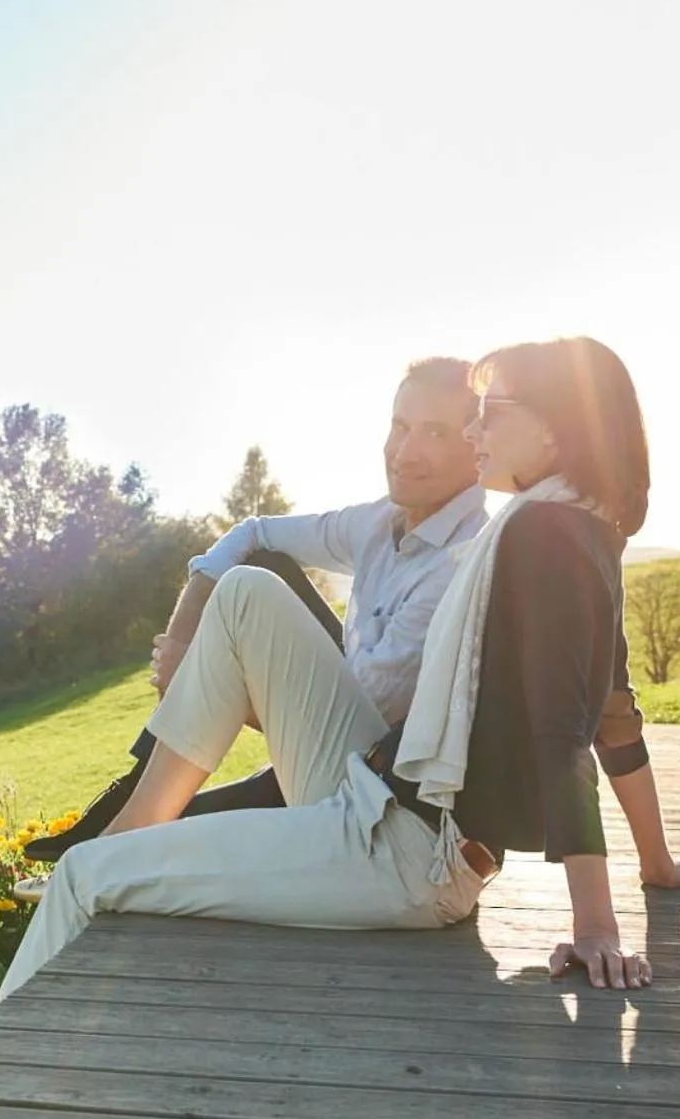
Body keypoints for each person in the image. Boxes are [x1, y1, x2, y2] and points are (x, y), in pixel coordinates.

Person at [0, 336, 680, 1008]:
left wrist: (594, 926)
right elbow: (615, 708)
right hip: (383, 805)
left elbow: (563, 731)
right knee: (249, 588)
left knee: (84, 876)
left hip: (408, 854)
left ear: (556, 426)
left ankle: (1, 1097)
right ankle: (129, 835)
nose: (476, 432)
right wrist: (656, 863)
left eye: (491, 414)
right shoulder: (578, 525)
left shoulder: (540, 536)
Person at [27, 357, 489, 862]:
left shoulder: (459, 563)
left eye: (437, 434)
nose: (405, 452)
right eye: (400, 426)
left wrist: (209, 678)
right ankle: (126, 802)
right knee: (263, 560)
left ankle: (110, 839)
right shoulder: (379, 523)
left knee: (167, 833)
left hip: (372, 793)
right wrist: (182, 643)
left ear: (477, 448)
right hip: (331, 743)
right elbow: (252, 533)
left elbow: (364, 724)